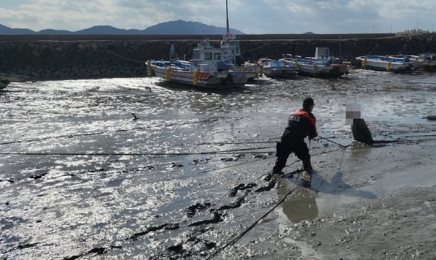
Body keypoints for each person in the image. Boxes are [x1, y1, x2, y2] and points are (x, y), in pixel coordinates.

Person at [267, 97, 318, 181]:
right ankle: (310, 175)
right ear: (310, 106)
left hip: (284, 138)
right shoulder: (310, 116)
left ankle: (273, 175)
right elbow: (313, 133)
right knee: (306, 157)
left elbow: (293, 126)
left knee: (280, 162)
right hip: (296, 141)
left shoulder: (294, 113)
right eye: (312, 106)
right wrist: (312, 135)